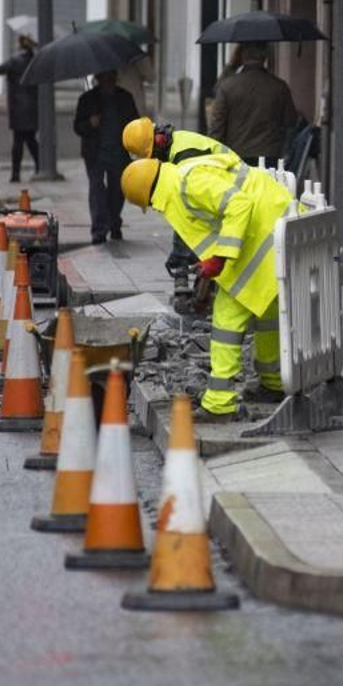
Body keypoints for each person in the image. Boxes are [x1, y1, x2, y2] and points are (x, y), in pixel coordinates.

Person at [121, 153, 292, 422]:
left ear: (150, 194)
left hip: (265, 239)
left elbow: (239, 203)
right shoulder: (184, 173)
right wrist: (210, 267)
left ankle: (220, 404)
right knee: (268, 315)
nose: (154, 209)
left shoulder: (186, 186)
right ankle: (273, 383)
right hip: (276, 233)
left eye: (149, 204)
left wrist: (221, 257)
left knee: (226, 320)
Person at [123, 116, 237, 276]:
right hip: (227, 192)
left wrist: (179, 256)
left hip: (232, 194)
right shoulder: (177, 145)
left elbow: (187, 210)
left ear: (159, 141)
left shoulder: (184, 156)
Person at [73, 70, 139, 244]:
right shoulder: (87, 99)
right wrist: (90, 123)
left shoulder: (125, 98)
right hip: (95, 154)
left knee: (117, 190)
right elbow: (78, 127)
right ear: (98, 79)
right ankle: (99, 229)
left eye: (112, 77)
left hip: (119, 152)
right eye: (105, 78)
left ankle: (114, 222)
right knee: (97, 190)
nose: (109, 81)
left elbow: (135, 123)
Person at [208, 42, 299, 165]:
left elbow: (216, 127)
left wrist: (232, 66)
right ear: (265, 57)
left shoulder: (227, 87)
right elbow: (290, 122)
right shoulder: (279, 87)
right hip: (270, 157)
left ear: (241, 56)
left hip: (236, 157)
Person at [0, 34, 39, 182]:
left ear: (21, 43)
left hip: (19, 108)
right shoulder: (35, 60)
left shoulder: (16, 61)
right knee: (30, 140)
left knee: (19, 142)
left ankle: (15, 174)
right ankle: (39, 167)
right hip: (33, 108)